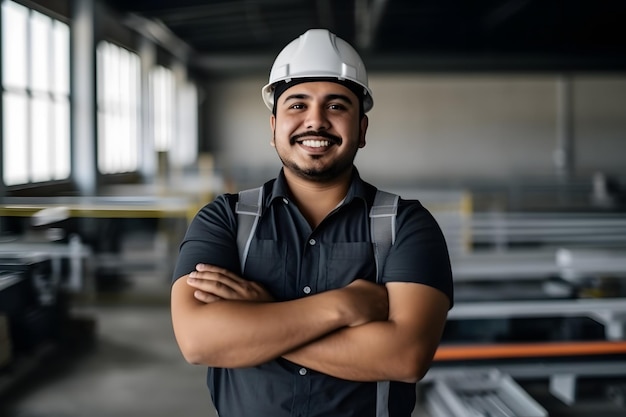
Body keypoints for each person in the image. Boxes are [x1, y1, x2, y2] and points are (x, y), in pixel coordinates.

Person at [171, 28, 453, 417]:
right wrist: (343, 305)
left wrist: (259, 317)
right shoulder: (224, 220)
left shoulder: (407, 225)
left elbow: (405, 357)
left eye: (336, 106)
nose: (315, 121)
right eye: (297, 105)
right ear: (273, 129)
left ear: (362, 130)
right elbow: (199, 341)